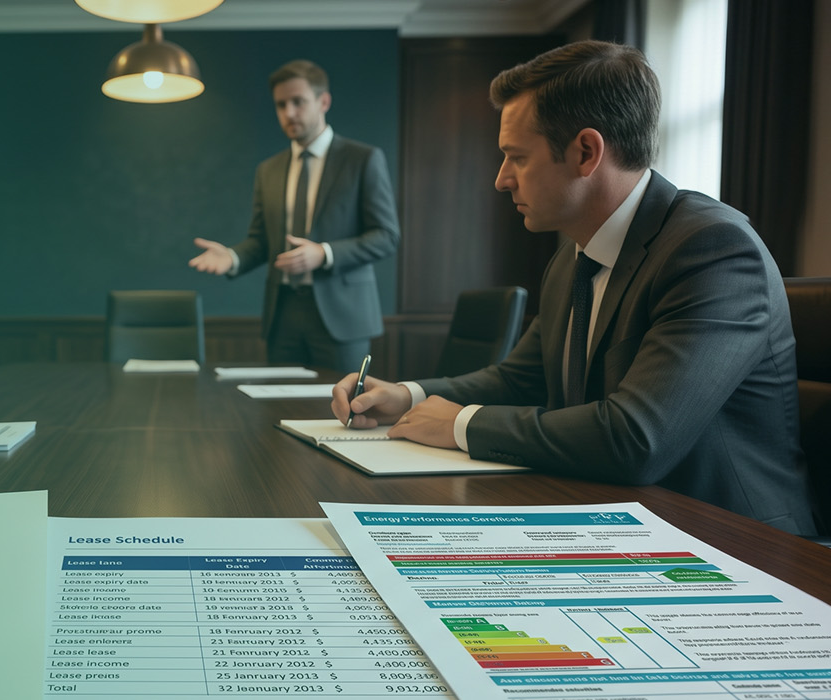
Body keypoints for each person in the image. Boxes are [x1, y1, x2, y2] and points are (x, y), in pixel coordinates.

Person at [331, 41, 814, 535]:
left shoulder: (714, 251)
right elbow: (521, 380)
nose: (501, 180)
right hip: (618, 520)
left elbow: (637, 439)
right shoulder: (572, 257)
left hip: (736, 542)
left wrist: (462, 426)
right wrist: (407, 397)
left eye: (516, 157)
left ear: (586, 152)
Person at [189, 60, 399, 374]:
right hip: (282, 314)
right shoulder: (268, 170)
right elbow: (261, 242)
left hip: (342, 317)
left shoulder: (363, 159)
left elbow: (386, 235)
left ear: (323, 101)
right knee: (277, 412)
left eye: (298, 102)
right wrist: (232, 258)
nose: (288, 113)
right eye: (281, 104)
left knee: (341, 413)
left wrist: (324, 253)